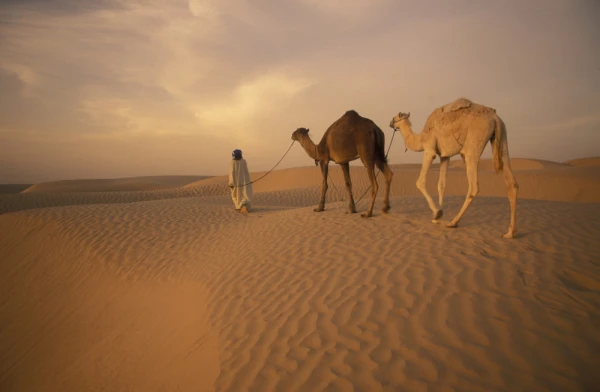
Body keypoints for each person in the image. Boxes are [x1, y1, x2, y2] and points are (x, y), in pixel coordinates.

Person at [228, 149, 253, 213]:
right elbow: (246, 172)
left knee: (236, 195)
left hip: (236, 183)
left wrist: (231, 183)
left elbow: (231, 173)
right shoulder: (243, 161)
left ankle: (240, 206)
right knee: (245, 194)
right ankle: (244, 206)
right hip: (245, 182)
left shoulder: (232, 162)